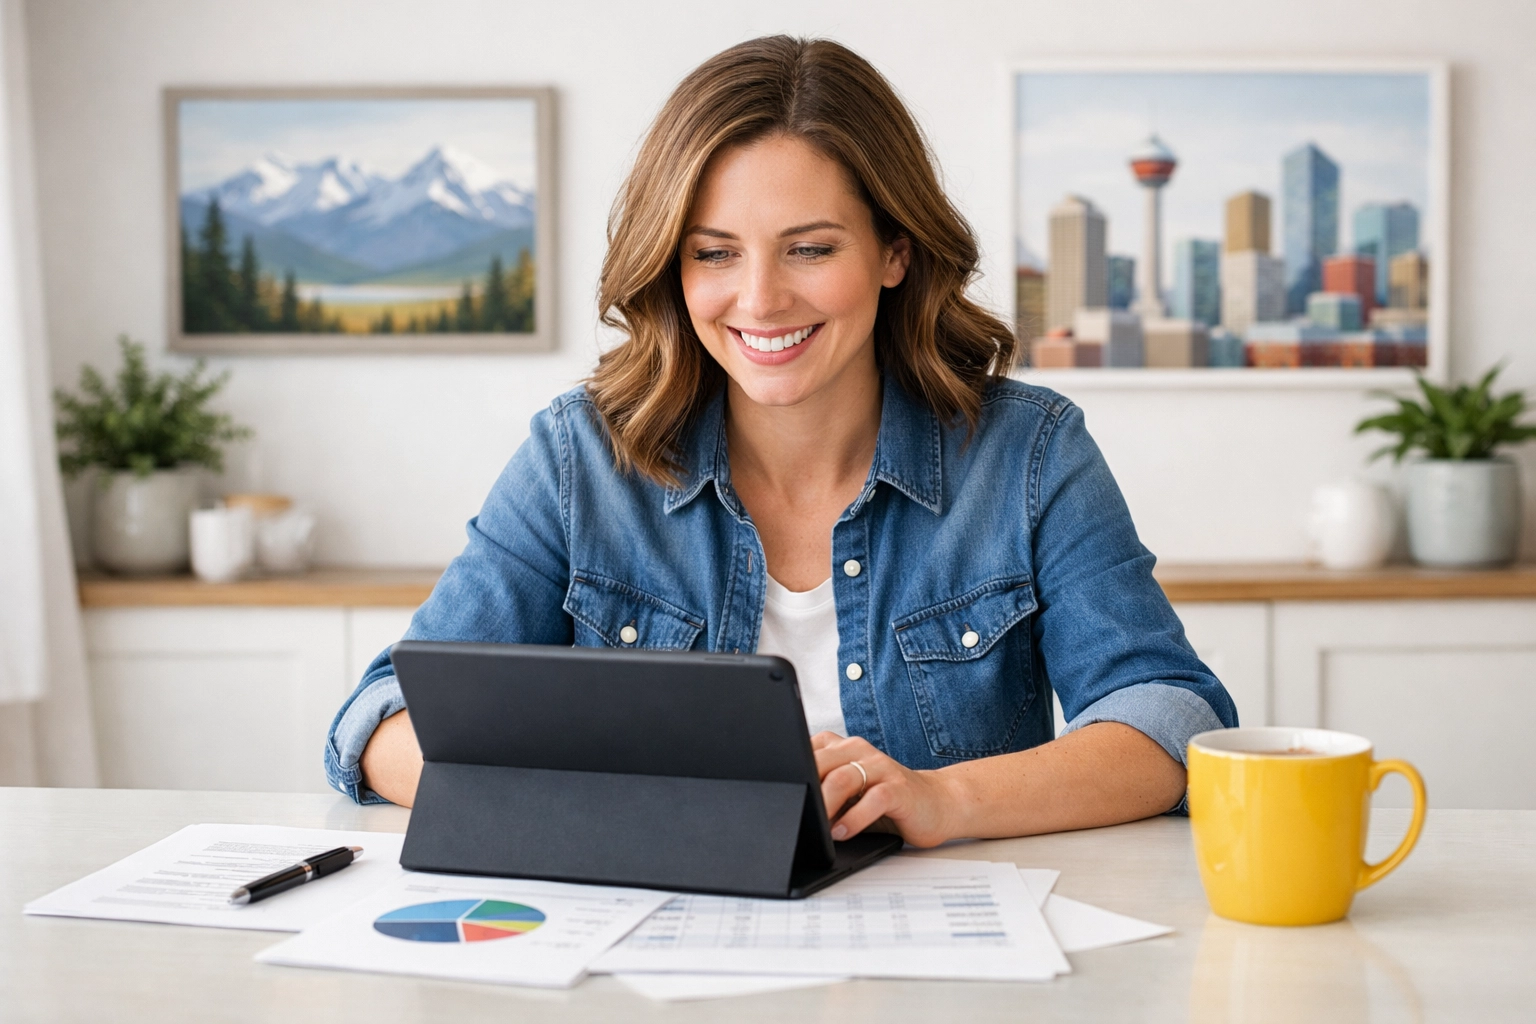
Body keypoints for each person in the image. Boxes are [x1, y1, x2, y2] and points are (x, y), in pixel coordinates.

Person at [325, 35, 1236, 846]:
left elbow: (1170, 718)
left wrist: (945, 800)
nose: (759, 300)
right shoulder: (580, 460)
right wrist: (630, 805)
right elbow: (381, 723)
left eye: (810, 248)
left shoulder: (1029, 455)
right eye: (713, 253)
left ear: (895, 252)